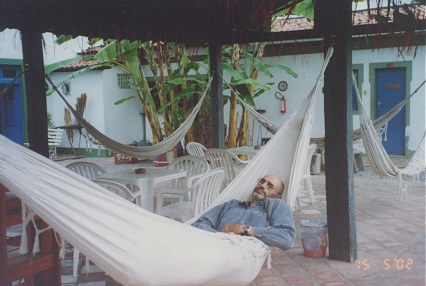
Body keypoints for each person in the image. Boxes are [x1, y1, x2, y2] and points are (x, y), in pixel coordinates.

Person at [191, 174, 296, 250]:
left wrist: (245, 229)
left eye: (270, 186)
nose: (263, 185)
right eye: (262, 181)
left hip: (239, 255)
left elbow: (287, 239)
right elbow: (200, 223)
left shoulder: (277, 205)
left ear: (278, 197)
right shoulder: (232, 204)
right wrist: (219, 236)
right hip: (211, 246)